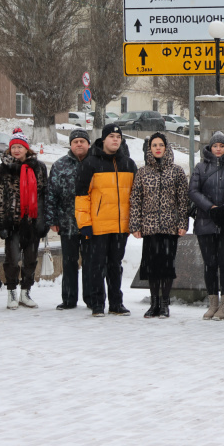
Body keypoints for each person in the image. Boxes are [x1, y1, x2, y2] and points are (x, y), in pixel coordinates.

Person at [75, 124, 137, 317]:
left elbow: (135, 197)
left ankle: (116, 303)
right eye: (111, 136)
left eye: (118, 136)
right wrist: (84, 223)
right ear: (103, 140)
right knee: (96, 265)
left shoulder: (129, 164)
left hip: (120, 226)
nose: (115, 140)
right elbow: (81, 197)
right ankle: (97, 304)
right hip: (98, 225)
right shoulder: (91, 163)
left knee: (115, 266)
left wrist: (134, 222)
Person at [129, 133, 189, 319]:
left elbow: (183, 201)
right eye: (154, 145)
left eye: (160, 144)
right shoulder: (142, 172)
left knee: (166, 267)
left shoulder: (177, 171)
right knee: (152, 267)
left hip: (170, 227)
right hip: (150, 227)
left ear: (166, 147)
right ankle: (153, 303)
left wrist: (182, 223)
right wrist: (135, 225)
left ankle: (164, 303)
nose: (157, 148)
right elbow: (135, 200)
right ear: (149, 148)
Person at [189, 131, 224, 321]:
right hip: (206, 222)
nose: (219, 149)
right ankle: (213, 303)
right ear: (210, 148)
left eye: (222, 146)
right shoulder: (200, 168)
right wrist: (210, 207)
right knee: (210, 265)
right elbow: (194, 191)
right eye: (216, 146)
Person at [0, 128, 48, 310]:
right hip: (12, 223)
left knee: (31, 259)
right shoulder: (2, 169)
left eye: (20, 147)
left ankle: (25, 292)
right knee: (12, 259)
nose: (16, 150)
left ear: (26, 149)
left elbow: (44, 195)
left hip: (32, 222)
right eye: (13, 147)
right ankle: (11, 292)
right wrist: (0, 223)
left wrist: (43, 220)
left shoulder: (39, 168)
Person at [46, 129, 91, 310]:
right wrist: (52, 219)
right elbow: (51, 195)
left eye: (82, 141)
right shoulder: (60, 165)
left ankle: (90, 297)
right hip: (67, 223)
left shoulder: (96, 163)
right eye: (75, 141)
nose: (79, 144)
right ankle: (69, 299)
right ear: (71, 145)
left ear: (88, 144)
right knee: (69, 262)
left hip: (90, 223)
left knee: (90, 263)